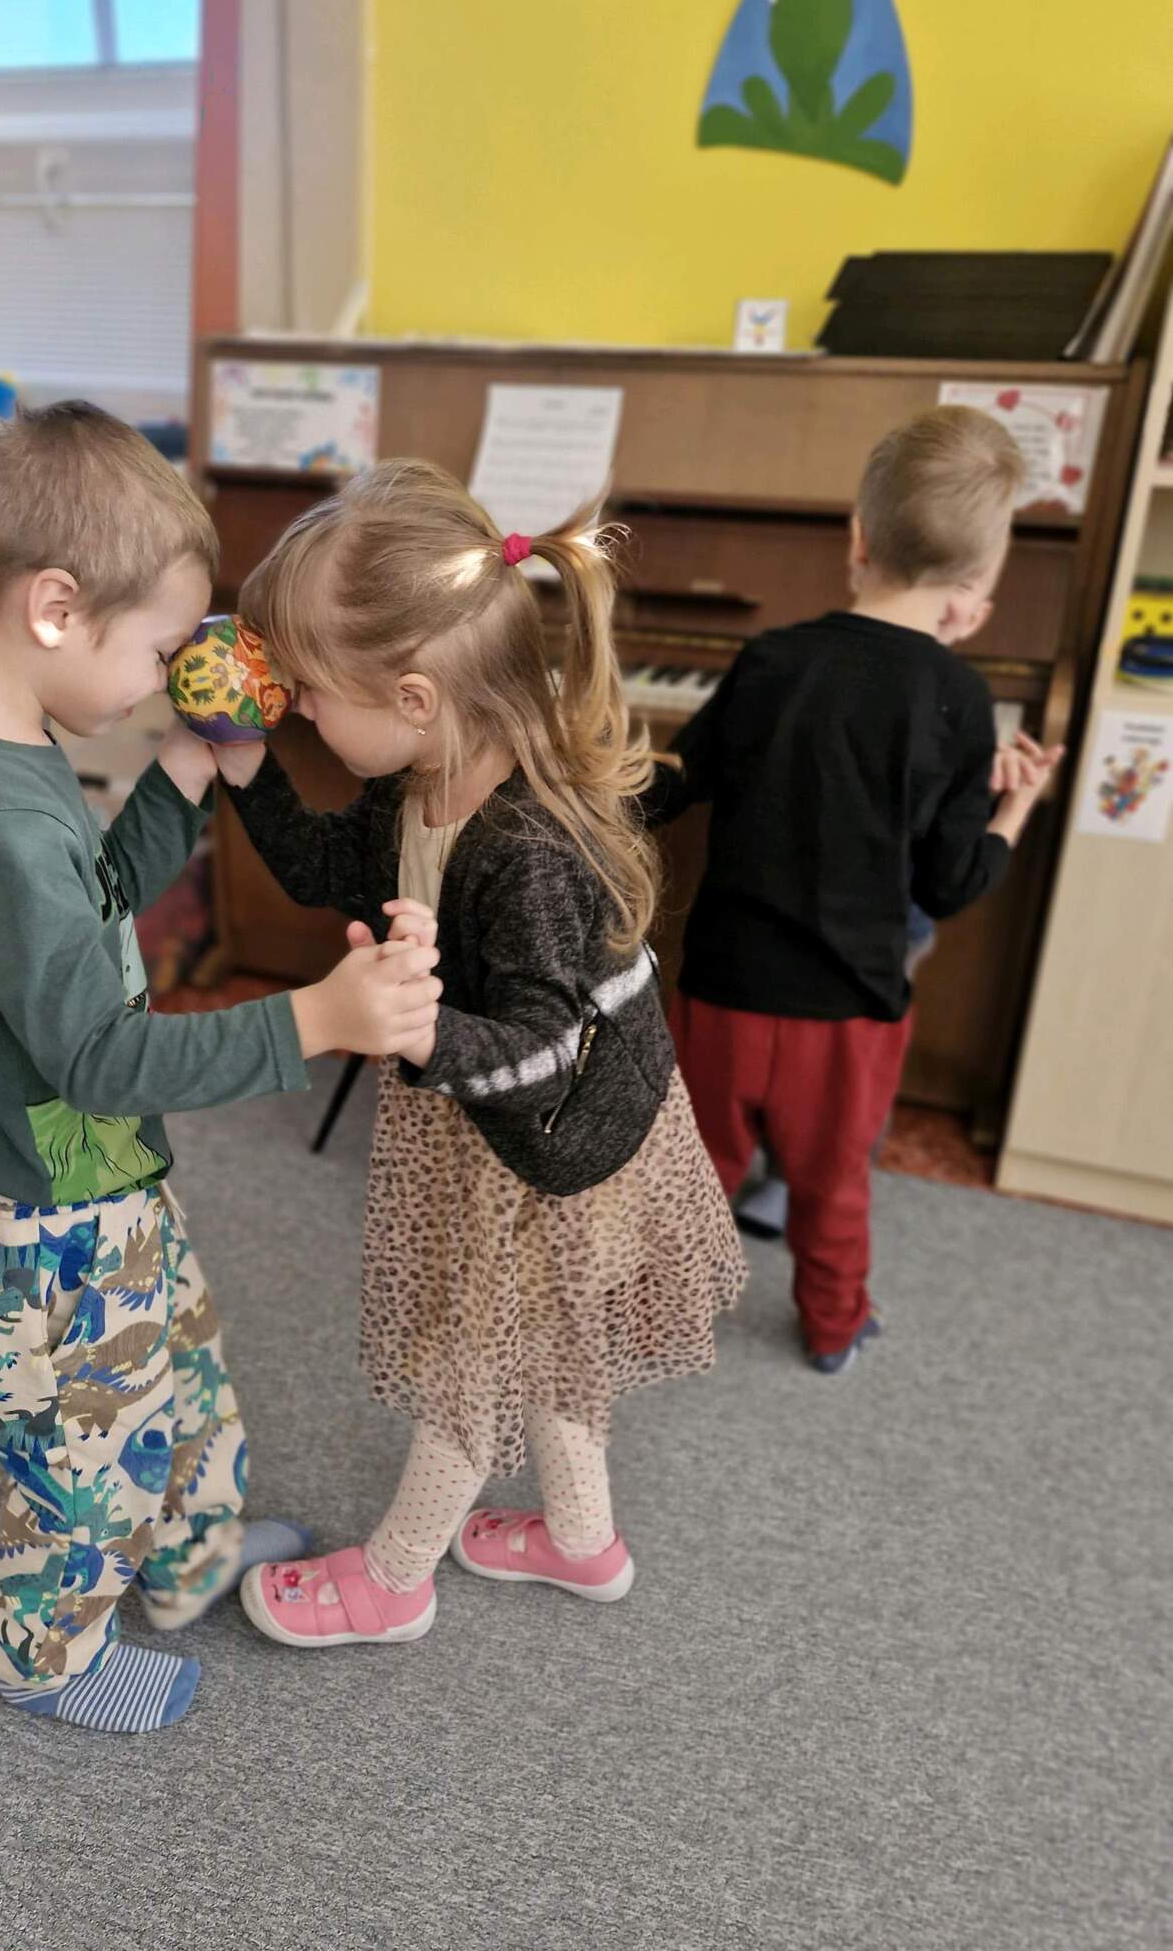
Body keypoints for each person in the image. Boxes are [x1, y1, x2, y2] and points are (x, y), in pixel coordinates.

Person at [0, 403, 441, 1729]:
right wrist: (315, 1019)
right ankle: (48, 1657)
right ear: (55, 608)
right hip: (36, 1211)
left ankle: (188, 1555)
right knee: (87, 1454)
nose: (168, 673)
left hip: (90, 1177)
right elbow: (101, 1053)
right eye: (158, 649)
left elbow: (88, 921)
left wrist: (182, 769)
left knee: (181, 1370)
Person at [213, 458, 746, 1649]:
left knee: (472, 1357)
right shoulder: (422, 777)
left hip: (557, 1139)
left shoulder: (523, 852)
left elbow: (545, 1055)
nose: (298, 710)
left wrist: (419, 1027)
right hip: (494, 1111)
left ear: (412, 695)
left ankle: (394, 1578)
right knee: (547, 1339)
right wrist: (247, 771)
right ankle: (582, 1539)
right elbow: (323, 868)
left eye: (309, 692)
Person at [645, 406, 1063, 1373]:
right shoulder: (960, 701)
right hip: (848, 1011)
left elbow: (673, 788)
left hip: (725, 986)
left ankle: (659, 1315)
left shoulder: (770, 659)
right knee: (832, 1188)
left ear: (858, 538)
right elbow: (949, 886)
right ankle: (833, 1327)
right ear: (976, 589)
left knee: (695, 1170)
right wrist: (1013, 809)